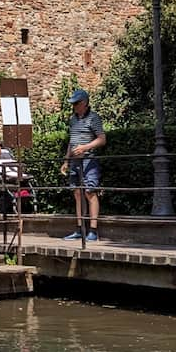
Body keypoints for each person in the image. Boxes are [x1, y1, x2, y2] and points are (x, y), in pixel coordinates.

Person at [61, 89, 107, 241]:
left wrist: (85, 147)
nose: (73, 106)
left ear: (84, 103)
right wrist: (66, 161)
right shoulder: (73, 119)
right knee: (77, 193)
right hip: (75, 161)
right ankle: (79, 228)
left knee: (90, 192)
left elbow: (102, 139)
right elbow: (71, 141)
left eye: (76, 103)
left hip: (89, 160)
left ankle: (93, 230)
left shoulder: (94, 118)